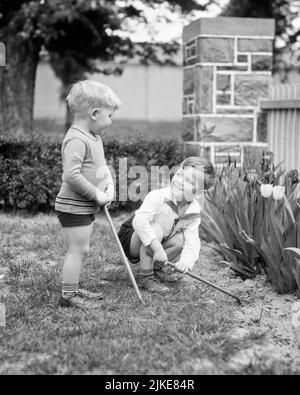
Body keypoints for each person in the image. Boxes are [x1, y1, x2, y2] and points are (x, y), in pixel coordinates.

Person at [55, 80, 121, 310]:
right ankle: (68, 297)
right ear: (95, 113)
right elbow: (71, 176)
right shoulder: (76, 139)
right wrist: (97, 195)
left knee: (82, 249)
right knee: (79, 250)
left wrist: (109, 186)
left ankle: (72, 287)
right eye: (110, 115)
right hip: (73, 206)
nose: (111, 121)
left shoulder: (94, 137)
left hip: (85, 206)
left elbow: (100, 167)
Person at [118, 157, 215, 293]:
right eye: (180, 174)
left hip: (158, 238)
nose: (180, 182)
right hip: (132, 238)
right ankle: (146, 276)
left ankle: (155, 268)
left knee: (181, 239)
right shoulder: (158, 196)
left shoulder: (193, 212)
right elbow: (139, 222)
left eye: (189, 181)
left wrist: (186, 262)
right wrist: (157, 249)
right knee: (156, 228)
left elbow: (192, 241)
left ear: (199, 192)